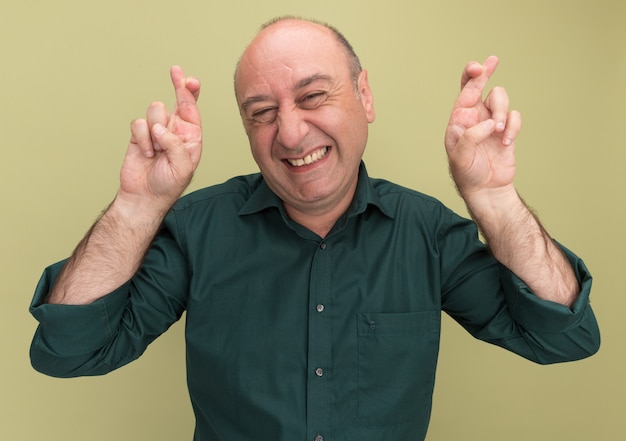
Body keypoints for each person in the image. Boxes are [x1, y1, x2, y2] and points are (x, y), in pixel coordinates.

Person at [29, 16, 600, 441]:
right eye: (263, 112)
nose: (292, 133)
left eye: (312, 96)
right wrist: (137, 205)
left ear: (364, 96)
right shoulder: (195, 228)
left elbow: (565, 337)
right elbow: (69, 351)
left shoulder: (425, 233)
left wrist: (493, 199)